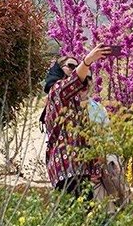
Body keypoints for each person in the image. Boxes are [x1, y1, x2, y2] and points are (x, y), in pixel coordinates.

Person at [43, 43, 112, 199]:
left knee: (84, 220)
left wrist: (93, 171)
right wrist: (87, 61)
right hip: (67, 171)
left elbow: (87, 141)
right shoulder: (56, 91)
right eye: (71, 66)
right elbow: (73, 81)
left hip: (81, 173)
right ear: (59, 69)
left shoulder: (79, 105)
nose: (76, 70)